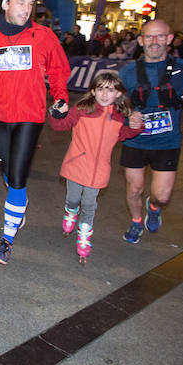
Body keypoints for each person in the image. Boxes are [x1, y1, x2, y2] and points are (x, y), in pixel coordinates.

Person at [0, 0, 71, 264]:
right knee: (6, 167)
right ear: (7, 3)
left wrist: (61, 98)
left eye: (30, 3)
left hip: (30, 115)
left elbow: (59, 70)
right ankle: (18, 198)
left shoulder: (44, 36)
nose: (27, 9)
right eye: (21, 2)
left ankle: (6, 240)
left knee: (18, 177)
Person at [119, 19, 183, 244]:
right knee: (135, 189)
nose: (155, 41)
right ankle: (135, 222)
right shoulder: (128, 71)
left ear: (170, 39)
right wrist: (127, 115)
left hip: (167, 142)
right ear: (141, 41)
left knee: (162, 196)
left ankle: (153, 207)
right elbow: (114, 100)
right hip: (135, 139)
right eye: (149, 37)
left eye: (160, 36)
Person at [49, 71, 144, 263]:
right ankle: (70, 211)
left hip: (99, 170)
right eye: (100, 89)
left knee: (90, 205)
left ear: (118, 93)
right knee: (74, 198)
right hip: (76, 165)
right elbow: (61, 125)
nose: (104, 94)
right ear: (93, 91)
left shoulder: (118, 116)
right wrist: (56, 114)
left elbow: (122, 134)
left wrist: (137, 127)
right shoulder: (82, 109)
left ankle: (84, 237)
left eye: (110, 90)